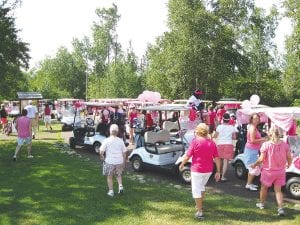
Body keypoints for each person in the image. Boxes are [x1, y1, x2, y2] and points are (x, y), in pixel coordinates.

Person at [179, 123, 221, 220]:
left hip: (197, 170)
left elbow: (188, 155)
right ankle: (199, 206)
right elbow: (217, 158)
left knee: (196, 190)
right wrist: (218, 171)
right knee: (201, 187)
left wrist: (182, 163)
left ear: (198, 131)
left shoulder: (195, 142)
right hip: (208, 170)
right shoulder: (212, 143)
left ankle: (199, 211)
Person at [251, 125, 292, 216]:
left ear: (269, 133)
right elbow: (289, 157)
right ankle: (280, 208)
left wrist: (254, 164)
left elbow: (261, 159)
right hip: (280, 171)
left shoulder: (266, 145)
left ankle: (261, 204)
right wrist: (289, 164)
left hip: (268, 171)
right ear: (279, 134)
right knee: (278, 190)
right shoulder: (285, 145)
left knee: (264, 188)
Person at [100, 124, 127, 197]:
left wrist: (102, 157)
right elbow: (124, 152)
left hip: (109, 161)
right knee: (118, 175)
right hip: (119, 161)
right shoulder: (120, 140)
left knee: (109, 177)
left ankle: (111, 191)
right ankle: (120, 186)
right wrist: (124, 162)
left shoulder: (106, 140)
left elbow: (101, 151)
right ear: (117, 131)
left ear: (110, 131)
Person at [244, 113, 267, 191]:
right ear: (251, 119)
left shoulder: (254, 127)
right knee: (253, 167)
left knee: (254, 167)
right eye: (255, 118)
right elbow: (253, 140)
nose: (257, 120)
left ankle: (249, 183)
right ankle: (248, 184)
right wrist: (263, 139)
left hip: (253, 149)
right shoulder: (252, 128)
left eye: (258, 118)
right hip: (251, 150)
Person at [213, 113, 236, 181]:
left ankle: (218, 174)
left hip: (220, 144)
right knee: (226, 161)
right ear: (229, 120)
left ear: (223, 119)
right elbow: (234, 137)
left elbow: (215, 136)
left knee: (219, 160)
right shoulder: (232, 127)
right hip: (229, 144)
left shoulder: (219, 127)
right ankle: (223, 176)